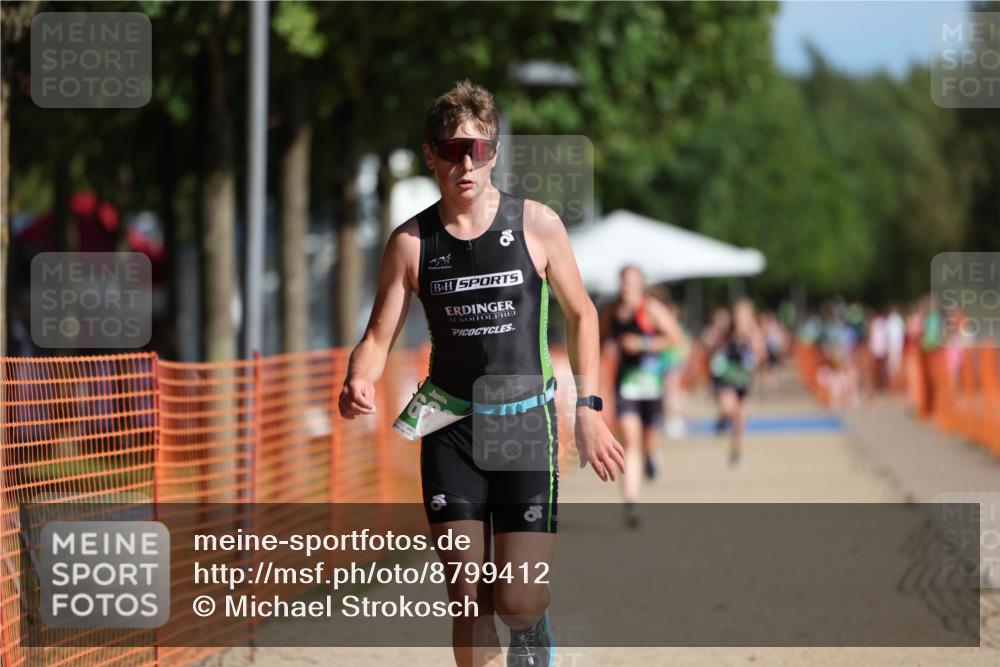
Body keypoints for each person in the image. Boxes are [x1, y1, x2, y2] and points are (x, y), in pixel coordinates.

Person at [338, 80, 624, 667]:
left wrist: (589, 412)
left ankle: (532, 626)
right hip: (449, 427)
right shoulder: (411, 243)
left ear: (494, 151)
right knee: (467, 598)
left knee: (515, 599)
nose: (464, 164)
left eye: (477, 150)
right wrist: (357, 379)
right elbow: (375, 339)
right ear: (430, 155)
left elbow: (583, 313)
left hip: (524, 426)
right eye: (450, 151)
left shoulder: (537, 225)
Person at [600, 266, 684, 527]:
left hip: (650, 384)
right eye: (623, 281)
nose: (626, 287)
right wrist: (608, 346)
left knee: (648, 441)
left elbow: (676, 339)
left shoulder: (651, 309)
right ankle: (632, 503)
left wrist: (644, 344)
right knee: (630, 441)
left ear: (641, 285)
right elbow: (598, 339)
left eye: (632, 282)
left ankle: (651, 456)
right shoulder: (611, 311)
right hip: (625, 385)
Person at [708, 299, 764, 466]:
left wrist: (751, 340)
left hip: (743, 380)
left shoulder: (754, 333)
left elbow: (760, 354)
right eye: (738, 314)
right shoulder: (726, 332)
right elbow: (711, 343)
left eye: (745, 315)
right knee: (728, 406)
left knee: (740, 419)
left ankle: (735, 452)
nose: (741, 318)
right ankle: (722, 417)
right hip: (726, 378)